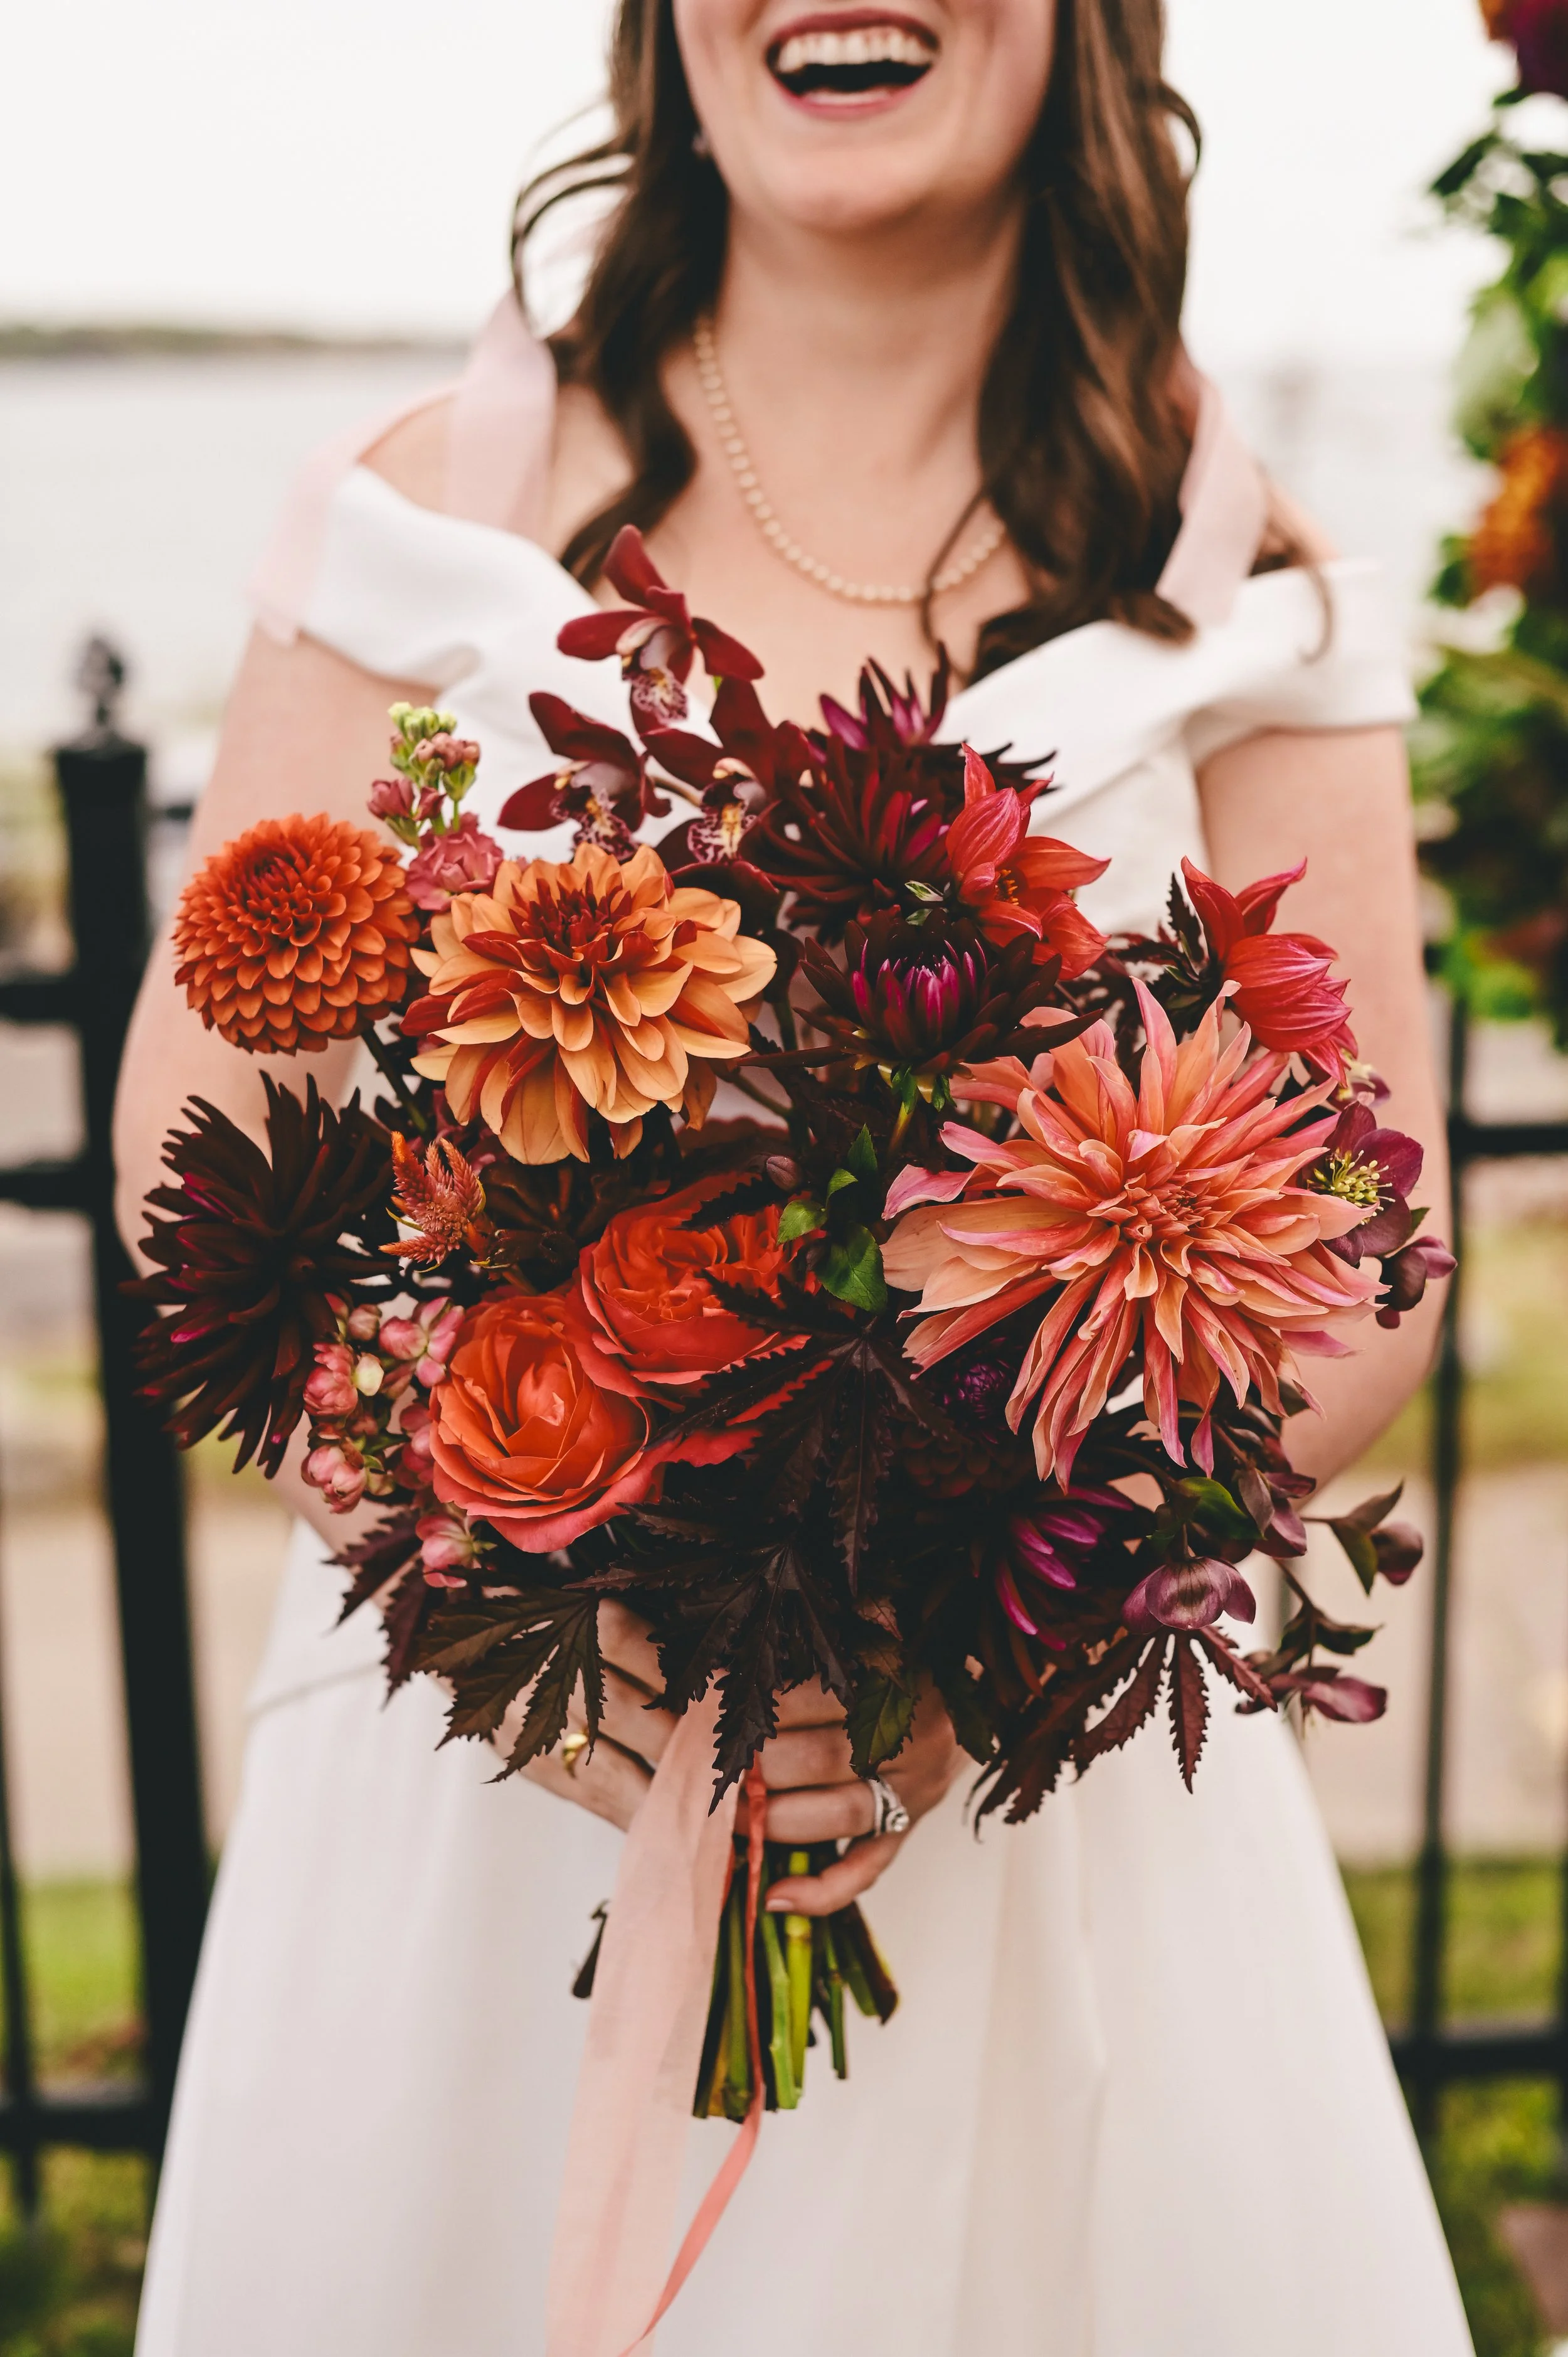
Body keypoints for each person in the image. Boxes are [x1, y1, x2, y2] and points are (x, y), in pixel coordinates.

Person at [115, 3, 1474, 2351]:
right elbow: (194, 1144)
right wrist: (495, 1618)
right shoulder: (438, 495)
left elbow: (1370, 1254)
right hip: (494, 1790)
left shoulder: (1226, 555)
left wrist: (996, 1632)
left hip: (1032, 1800)